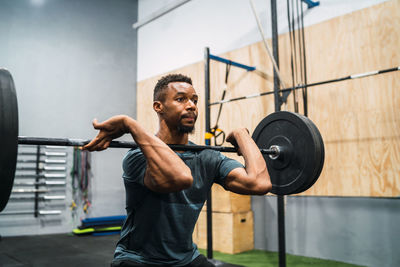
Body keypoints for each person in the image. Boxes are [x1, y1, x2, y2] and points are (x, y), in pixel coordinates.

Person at [83, 74, 272, 267]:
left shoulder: (206, 157)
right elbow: (180, 178)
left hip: (186, 259)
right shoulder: (138, 157)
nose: (191, 106)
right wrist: (130, 124)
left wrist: (242, 135)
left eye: (194, 100)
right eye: (181, 99)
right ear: (159, 107)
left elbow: (260, 183)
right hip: (138, 260)